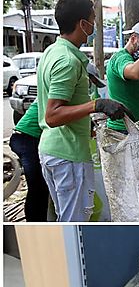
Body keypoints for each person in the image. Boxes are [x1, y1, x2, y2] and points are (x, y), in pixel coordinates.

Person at [37, 0, 135, 222]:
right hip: (67, 154)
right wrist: (96, 105)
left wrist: (88, 121)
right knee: (74, 224)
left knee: (66, 220)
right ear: (83, 24)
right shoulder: (67, 61)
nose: (96, 25)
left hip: (54, 149)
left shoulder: (53, 52)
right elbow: (52, 115)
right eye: (93, 19)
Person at [10, 63, 106, 221]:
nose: (89, 86)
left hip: (34, 139)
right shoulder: (65, 93)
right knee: (38, 187)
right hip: (27, 138)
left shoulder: (72, 94)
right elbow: (70, 119)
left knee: (43, 188)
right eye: (89, 81)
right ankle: (36, 224)